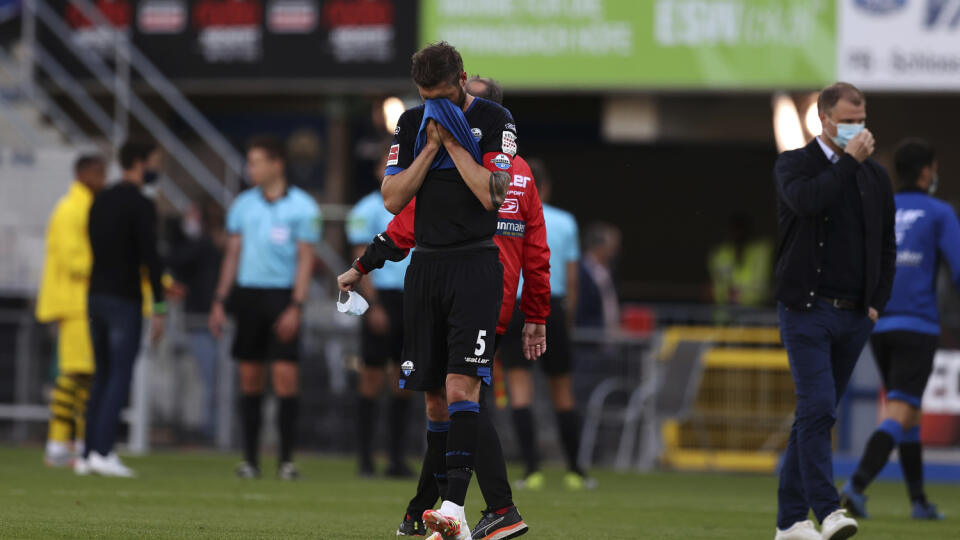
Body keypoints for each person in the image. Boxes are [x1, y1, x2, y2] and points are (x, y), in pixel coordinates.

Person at [341, 74, 545, 539]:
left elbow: (404, 226)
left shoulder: (457, 171)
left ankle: (490, 508)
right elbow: (537, 250)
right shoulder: (524, 176)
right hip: (496, 299)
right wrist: (535, 314)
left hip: (465, 293)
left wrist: (362, 264)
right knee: (455, 402)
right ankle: (428, 509)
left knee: (459, 402)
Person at [772, 82, 896, 540]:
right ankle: (828, 510)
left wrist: (876, 303)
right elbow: (808, 202)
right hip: (806, 308)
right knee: (819, 406)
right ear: (823, 119)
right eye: (847, 121)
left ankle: (789, 523)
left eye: (860, 120)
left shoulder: (875, 176)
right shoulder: (794, 164)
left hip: (854, 315)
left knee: (814, 414)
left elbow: (887, 244)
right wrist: (849, 162)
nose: (855, 129)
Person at [840, 139, 951, 521]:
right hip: (917, 323)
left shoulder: (881, 209)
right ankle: (856, 484)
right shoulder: (939, 212)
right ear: (926, 171)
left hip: (879, 323)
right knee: (901, 409)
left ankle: (919, 502)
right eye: (934, 168)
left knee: (910, 413)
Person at [208, 136, 320, 480]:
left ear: (277, 164)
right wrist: (220, 300)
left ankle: (286, 460)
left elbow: (306, 260)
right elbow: (232, 255)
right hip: (249, 297)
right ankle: (251, 460)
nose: (249, 168)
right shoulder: (243, 205)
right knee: (249, 380)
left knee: (286, 379)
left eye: (255, 161)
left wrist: (296, 305)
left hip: (282, 297)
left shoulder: (304, 207)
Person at [498, 157, 594, 491]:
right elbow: (571, 277)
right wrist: (565, 319)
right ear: (547, 187)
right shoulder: (565, 222)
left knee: (520, 389)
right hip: (550, 306)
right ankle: (575, 471)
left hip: (513, 304)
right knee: (562, 391)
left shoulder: (506, 215)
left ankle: (531, 470)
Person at [78, 141, 166, 478]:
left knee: (101, 375)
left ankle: (87, 454)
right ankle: (104, 451)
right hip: (124, 299)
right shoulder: (140, 204)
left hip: (95, 295)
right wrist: (159, 304)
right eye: (154, 161)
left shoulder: (100, 199)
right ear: (140, 162)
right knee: (119, 375)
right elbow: (151, 258)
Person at [346, 149, 414, 478]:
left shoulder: (419, 205)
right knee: (371, 377)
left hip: (413, 298)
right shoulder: (366, 209)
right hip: (382, 297)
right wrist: (372, 304)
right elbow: (361, 257)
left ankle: (396, 458)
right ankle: (364, 457)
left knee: (405, 379)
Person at [36, 153, 107, 467]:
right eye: (99, 174)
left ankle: (74, 442)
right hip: (74, 303)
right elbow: (73, 260)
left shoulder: (86, 207)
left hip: (83, 301)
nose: (103, 181)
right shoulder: (70, 210)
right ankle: (58, 443)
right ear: (83, 175)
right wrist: (111, 266)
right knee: (74, 373)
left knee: (83, 376)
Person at [167, 201, 225, 443]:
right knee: (200, 379)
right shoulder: (201, 247)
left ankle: (209, 430)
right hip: (196, 320)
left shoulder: (204, 247)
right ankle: (202, 427)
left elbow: (174, 258)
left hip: (205, 320)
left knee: (210, 379)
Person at [708, 214, 773, 307]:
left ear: (749, 232)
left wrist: (741, 296)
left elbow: (762, 288)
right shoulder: (720, 255)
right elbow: (715, 288)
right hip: (725, 314)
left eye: (741, 230)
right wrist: (725, 294)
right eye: (735, 230)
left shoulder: (761, 252)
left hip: (754, 312)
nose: (738, 234)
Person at [576, 222, 621, 330]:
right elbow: (580, 310)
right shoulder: (581, 272)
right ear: (599, 247)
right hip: (589, 337)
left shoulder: (609, 270)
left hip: (608, 338)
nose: (616, 251)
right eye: (612, 247)